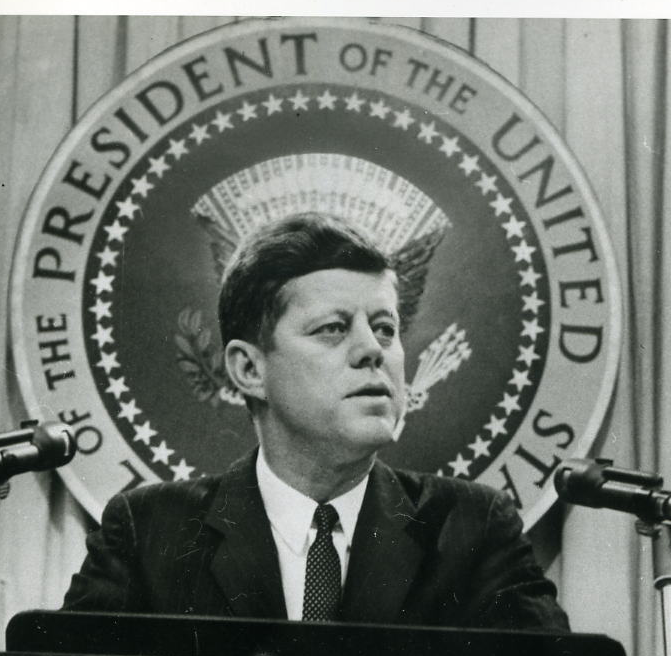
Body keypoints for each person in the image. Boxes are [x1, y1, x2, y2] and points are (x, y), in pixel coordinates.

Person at [62, 213, 569, 632]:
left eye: (386, 329)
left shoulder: (473, 531)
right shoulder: (148, 534)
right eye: (333, 328)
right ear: (249, 369)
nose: (374, 350)